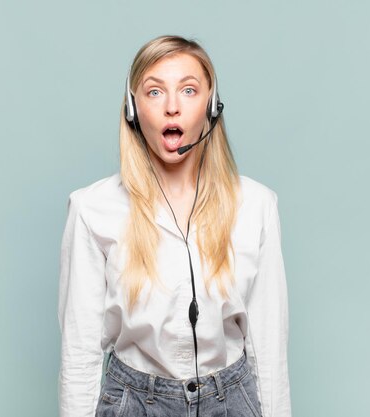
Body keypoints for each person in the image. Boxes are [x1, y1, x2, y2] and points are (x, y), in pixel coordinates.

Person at [58, 35, 291, 417]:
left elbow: (269, 347)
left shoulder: (258, 205)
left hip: (232, 400)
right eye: (154, 92)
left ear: (212, 106)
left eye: (188, 90)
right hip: (134, 402)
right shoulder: (91, 209)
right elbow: (79, 351)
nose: (172, 107)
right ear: (133, 109)